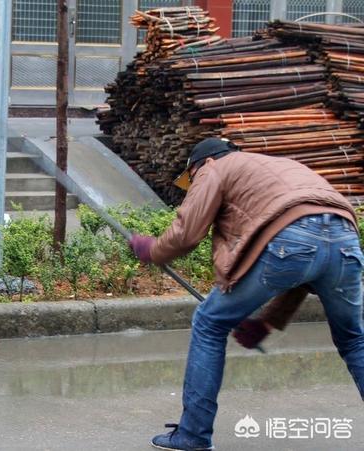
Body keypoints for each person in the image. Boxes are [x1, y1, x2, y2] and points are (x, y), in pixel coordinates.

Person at [129, 137, 364, 451]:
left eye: (191, 177)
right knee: (353, 339)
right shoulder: (277, 167)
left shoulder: (214, 167)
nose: (193, 182)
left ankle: (193, 435)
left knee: (210, 323)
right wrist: (267, 322)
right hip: (345, 240)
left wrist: (154, 250)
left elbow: (188, 232)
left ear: (200, 164)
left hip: (290, 238)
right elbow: (308, 260)